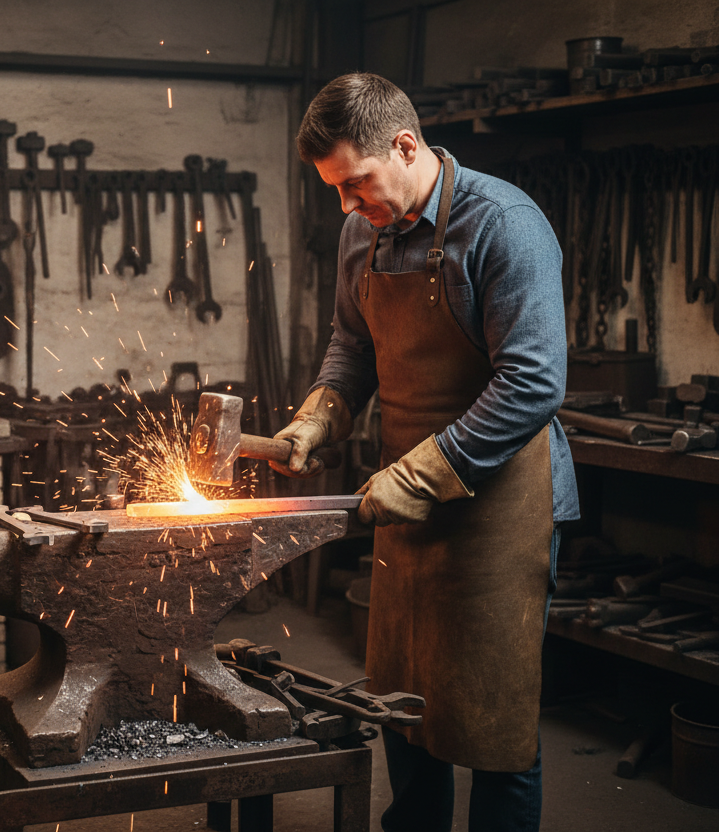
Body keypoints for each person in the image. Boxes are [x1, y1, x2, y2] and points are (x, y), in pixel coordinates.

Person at [273, 73, 579, 832]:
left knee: (494, 718)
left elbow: (534, 382)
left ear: (405, 147)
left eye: (355, 183)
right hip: (403, 504)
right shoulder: (362, 231)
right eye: (335, 190)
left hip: (499, 506)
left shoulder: (505, 223)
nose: (346, 204)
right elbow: (354, 343)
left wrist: (423, 470)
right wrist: (323, 412)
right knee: (403, 701)